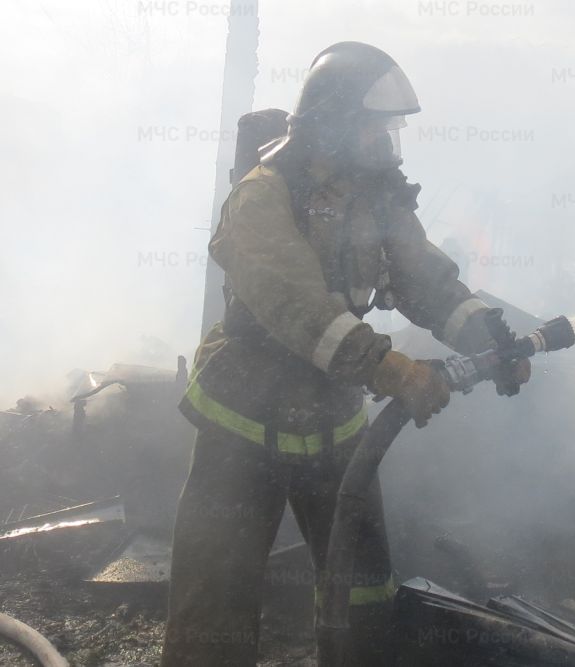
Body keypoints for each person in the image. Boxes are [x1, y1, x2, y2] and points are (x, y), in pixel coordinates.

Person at [161, 41, 529, 666]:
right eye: (375, 127)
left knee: (363, 591)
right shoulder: (263, 196)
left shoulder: (374, 196)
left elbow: (424, 282)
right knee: (215, 606)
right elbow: (299, 310)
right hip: (242, 423)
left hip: (332, 420)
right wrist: (390, 368)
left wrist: (488, 338)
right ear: (333, 124)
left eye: (391, 130)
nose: (386, 142)